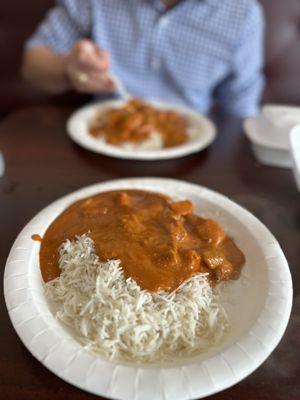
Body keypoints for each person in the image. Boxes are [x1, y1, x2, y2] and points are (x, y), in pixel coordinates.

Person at [22, 0, 265, 117]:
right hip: (102, 136)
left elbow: (241, 108)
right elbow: (32, 64)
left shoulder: (243, 14)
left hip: (191, 145)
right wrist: (68, 69)